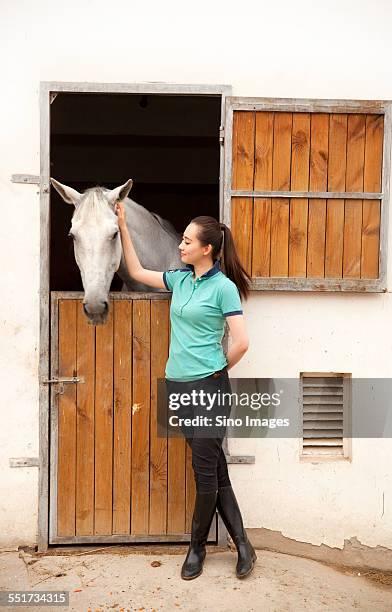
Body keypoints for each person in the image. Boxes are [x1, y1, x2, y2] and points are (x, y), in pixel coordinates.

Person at [115, 201, 257, 581]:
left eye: (187, 240)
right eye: (181, 239)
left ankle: (196, 548)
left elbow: (241, 342)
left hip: (208, 388)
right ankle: (242, 543)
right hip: (177, 386)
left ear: (206, 249)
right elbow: (135, 271)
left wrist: (215, 370)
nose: (180, 245)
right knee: (215, 467)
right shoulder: (179, 279)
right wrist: (124, 229)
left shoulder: (224, 288)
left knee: (204, 473)